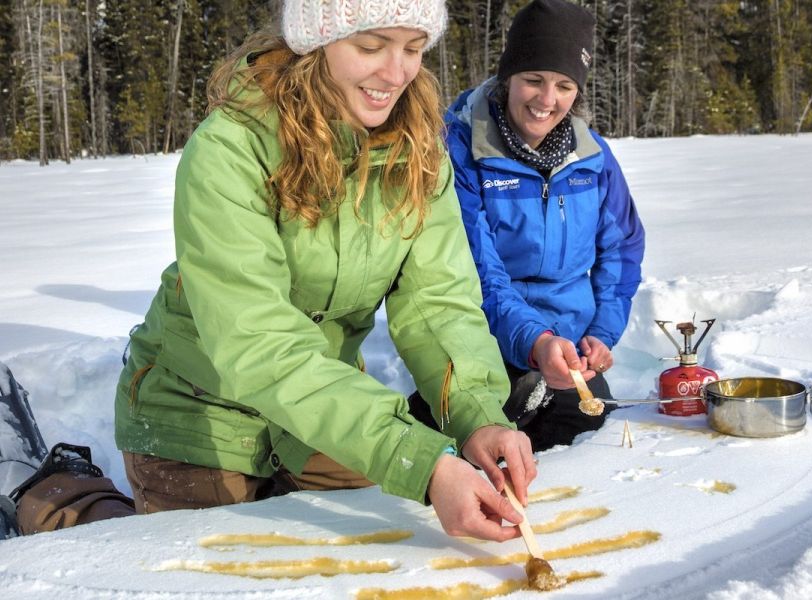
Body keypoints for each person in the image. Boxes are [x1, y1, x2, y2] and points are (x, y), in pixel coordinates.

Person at [1, 0, 537, 542]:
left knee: (368, 543)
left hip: (324, 405)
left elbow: (437, 302)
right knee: (205, 567)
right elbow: (256, 340)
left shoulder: (420, 152)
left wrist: (479, 414)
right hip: (195, 410)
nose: (395, 72)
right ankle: (60, 499)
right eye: (371, 46)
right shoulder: (227, 150)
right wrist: (419, 459)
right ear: (314, 44)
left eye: (413, 48)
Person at [410, 0, 645, 452]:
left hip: (569, 352)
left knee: (590, 454)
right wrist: (535, 342)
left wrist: (600, 333)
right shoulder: (459, 150)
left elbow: (622, 249)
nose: (547, 100)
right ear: (507, 78)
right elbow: (474, 270)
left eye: (564, 85)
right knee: (476, 454)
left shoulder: (593, 158)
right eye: (533, 80)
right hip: (482, 344)